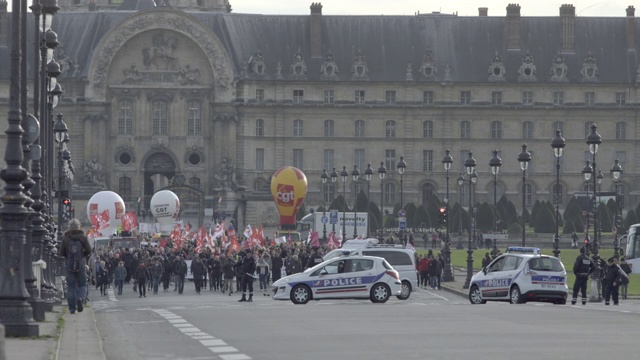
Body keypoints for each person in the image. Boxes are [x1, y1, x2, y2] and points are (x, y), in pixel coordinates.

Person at [60, 219, 92, 314]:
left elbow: (61, 252)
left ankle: (72, 308)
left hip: (69, 265)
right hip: (80, 264)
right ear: (79, 227)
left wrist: (68, 257)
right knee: (82, 284)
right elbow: (89, 250)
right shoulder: (83, 237)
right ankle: (80, 298)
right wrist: (82, 255)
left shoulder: (66, 238)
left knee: (71, 287)